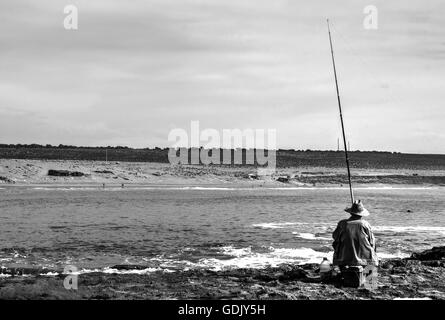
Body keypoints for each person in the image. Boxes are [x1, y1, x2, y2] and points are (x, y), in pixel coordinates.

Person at [332, 200, 378, 268]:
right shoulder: (365, 224)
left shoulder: (342, 223)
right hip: (365, 259)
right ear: (361, 214)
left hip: (343, 258)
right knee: (372, 270)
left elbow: (335, 237)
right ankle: (371, 277)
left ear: (351, 213)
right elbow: (372, 242)